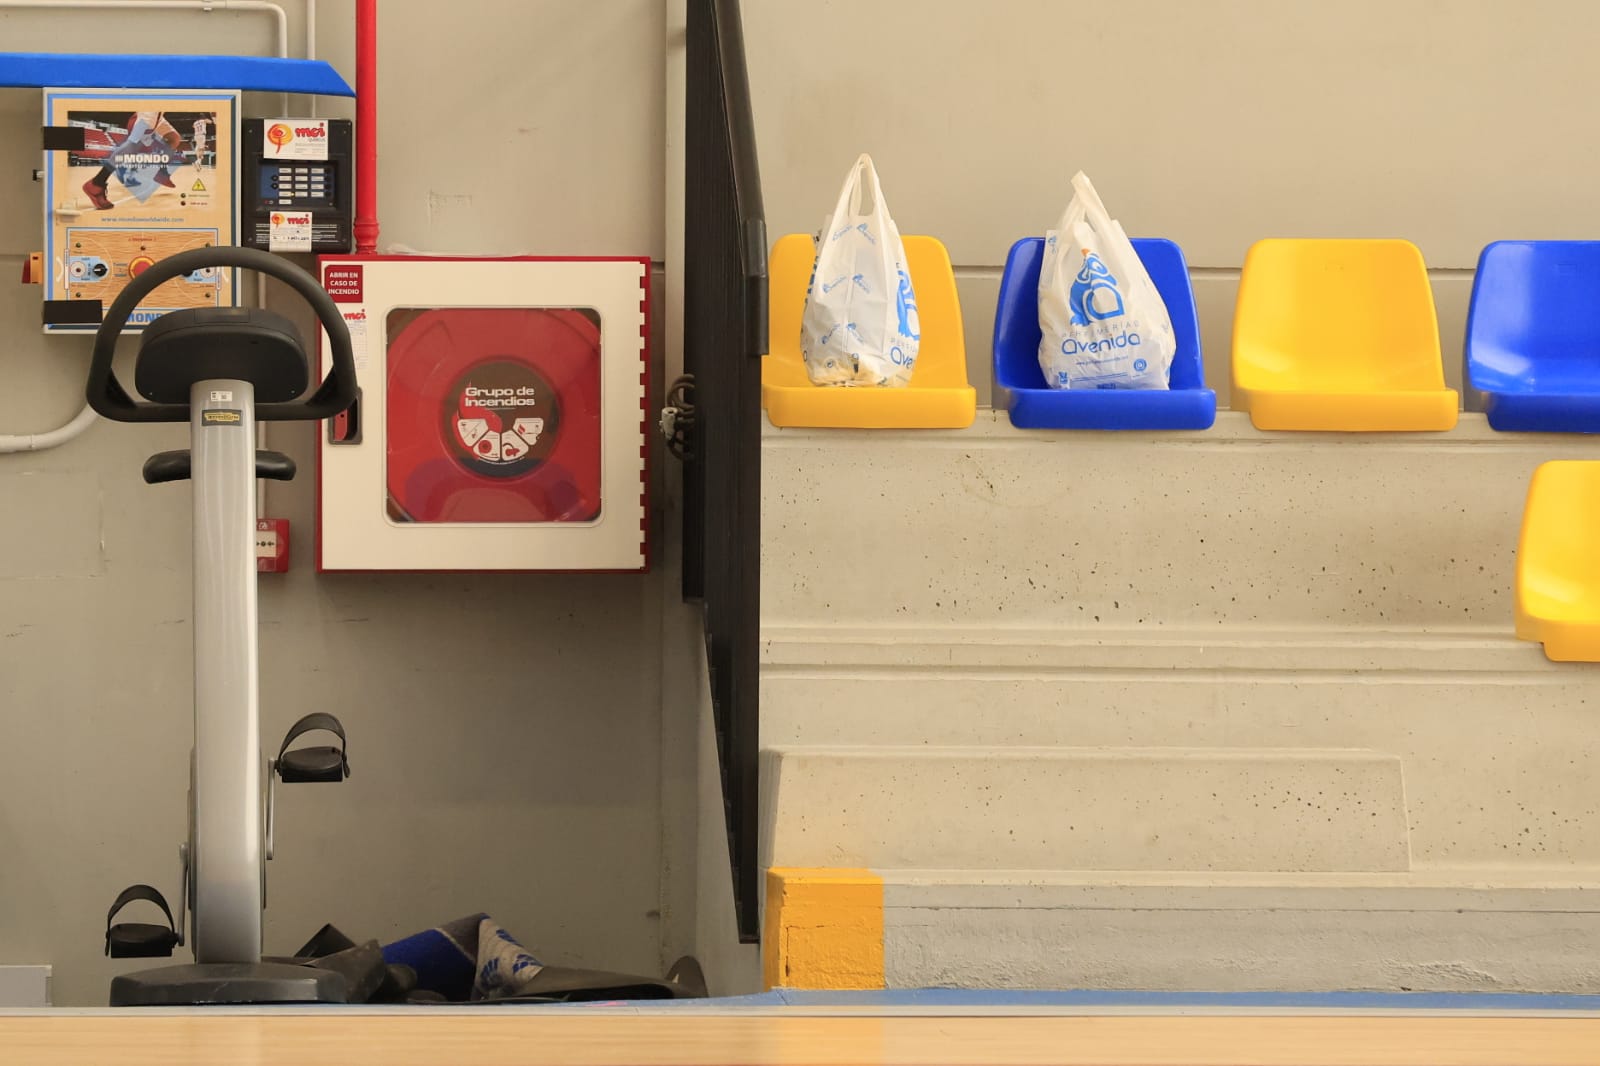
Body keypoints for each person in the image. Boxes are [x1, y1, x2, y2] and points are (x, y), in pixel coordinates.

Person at [81, 111, 186, 210]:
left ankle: (161, 173)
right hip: (150, 109)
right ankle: (97, 183)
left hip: (159, 114)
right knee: (133, 145)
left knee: (174, 138)